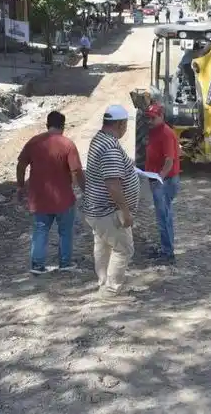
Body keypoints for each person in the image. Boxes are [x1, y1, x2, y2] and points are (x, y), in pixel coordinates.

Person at [17, 111, 86, 275]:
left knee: (40, 230)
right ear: (63, 126)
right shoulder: (67, 144)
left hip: (39, 198)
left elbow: (21, 164)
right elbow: (76, 171)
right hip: (63, 198)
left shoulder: (34, 142)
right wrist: (85, 190)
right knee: (65, 232)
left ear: (47, 125)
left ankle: (37, 266)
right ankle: (65, 263)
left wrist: (20, 186)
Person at [83, 104, 141, 297]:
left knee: (103, 245)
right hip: (108, 210)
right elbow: (113, 185)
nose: (125, 129)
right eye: (125, 125)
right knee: (123, 248)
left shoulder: (99, 139)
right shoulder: (110, 147)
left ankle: (103, 282)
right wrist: (125, 211)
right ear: (120, 124)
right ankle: (111, 290)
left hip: (96, 209)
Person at [143, 103, 181, 264]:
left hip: (165, 181)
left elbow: (169, 161)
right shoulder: (154, 131)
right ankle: (166, 248)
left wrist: (160, 178)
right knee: (163, 215)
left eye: (153, 118)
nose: (149, 121)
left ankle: (168, 252)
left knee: (164, 216)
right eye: (148, 118)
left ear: (161, 116)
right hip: (158, 179)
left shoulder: (166, 133)